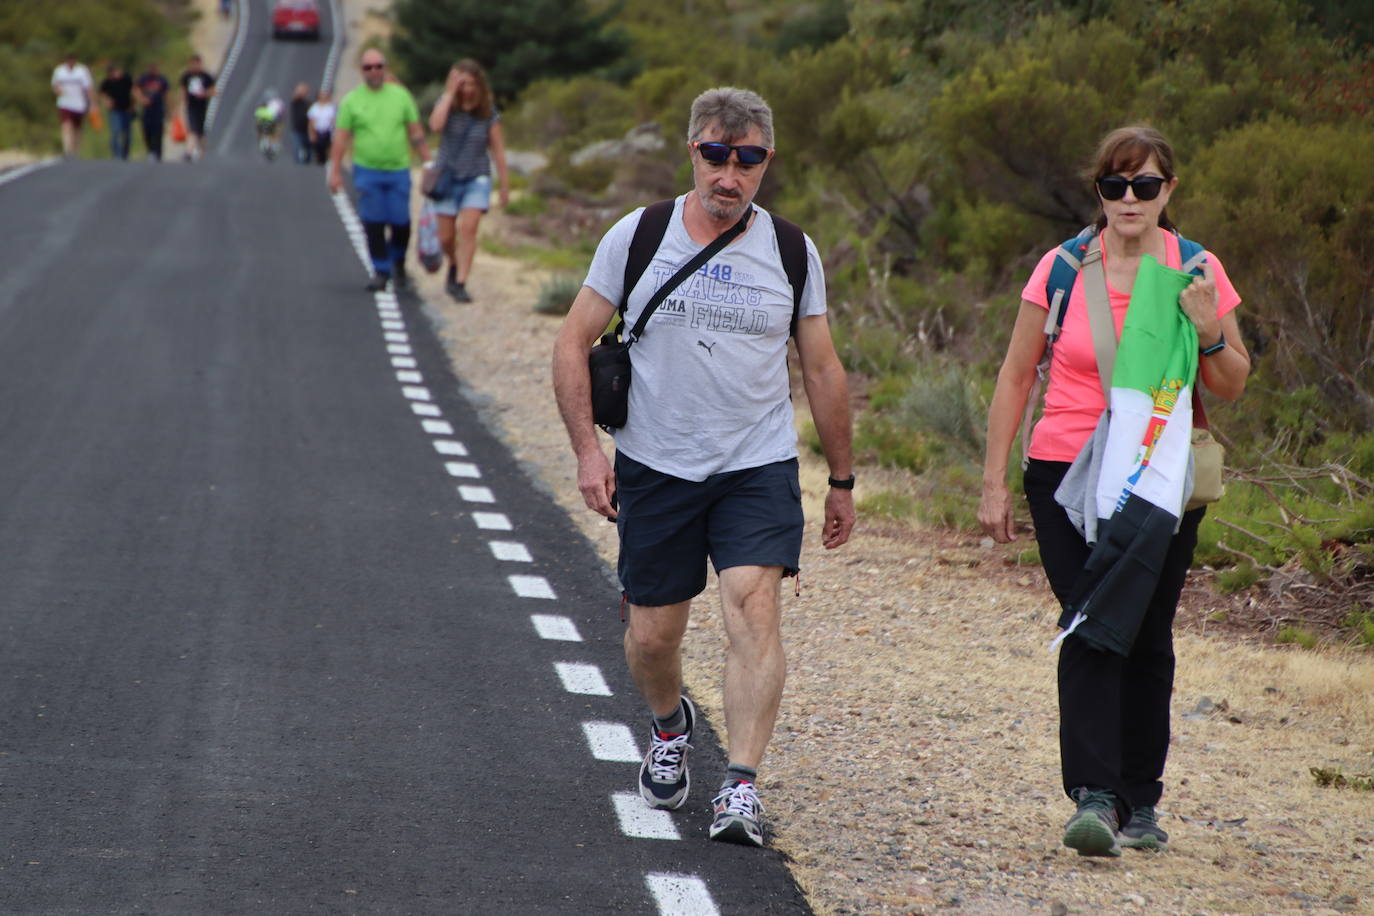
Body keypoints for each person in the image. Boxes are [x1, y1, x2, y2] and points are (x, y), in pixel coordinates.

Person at [552, 87, 855, 848]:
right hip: (656, 463)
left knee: (753, 610)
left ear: (766, 162)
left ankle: (742, 785)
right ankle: (669, 725)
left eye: (748, 159)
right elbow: (573, 342)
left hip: (756, 465)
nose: (731, 174)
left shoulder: (792, 251)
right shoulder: (639, 236)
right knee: (653, 637)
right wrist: (591, 453)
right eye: (717, 155)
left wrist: (843, 480)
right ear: (693, 151)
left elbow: (820, 367)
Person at [978, 125, 1250, 857]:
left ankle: (1141, 800)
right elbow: (1014, 376)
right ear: (1097, 191)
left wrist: (1209, 331)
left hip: (1160, 479)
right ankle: (1095, 797)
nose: (1130, 199)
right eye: (1115, 185)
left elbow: (1231, 383)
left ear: (1170, 191)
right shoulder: (1063, 268)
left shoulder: (1196, 271)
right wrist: (993, 482)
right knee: (1093, 622)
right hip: (1065, 476)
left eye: (1146, 185)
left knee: (1149, 636)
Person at [329, 49, 431, 292]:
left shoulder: (401, 96)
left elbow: (415, 131)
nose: (374, 71)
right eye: (368, 67)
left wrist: (427, 162)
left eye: (378, 66)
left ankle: (398, 261)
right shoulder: (352, 101)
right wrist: (334, 171)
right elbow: (341, 138)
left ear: (385, 67)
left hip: (397, 169)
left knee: (401, 221)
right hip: (367, 170)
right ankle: (380, 270)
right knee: (373, 222)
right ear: (361, 71)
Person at [425, 59, 509, 303]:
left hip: (477, 178)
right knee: (446, 238)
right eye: (464, 84)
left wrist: (504, 186)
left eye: (472, 84)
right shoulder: (448, 107)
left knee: (468, 229)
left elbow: (498, 151)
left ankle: (460, 282)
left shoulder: (488, 113)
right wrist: (450, 93)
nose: (468, 89)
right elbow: (435, 125)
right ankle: (453, 262)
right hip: (447, 178)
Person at [51, 53, 94, 158]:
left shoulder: (82, 71)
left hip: (79, 103)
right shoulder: (60, 71)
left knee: (77, 128)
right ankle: (67, 149)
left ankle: (76, 149)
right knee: (66, 126)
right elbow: (55, 85)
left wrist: (92, 103)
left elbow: (88, 88)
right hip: (65, 103)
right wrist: (58, 90)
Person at [178, 54, 217, 161]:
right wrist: (182, 105)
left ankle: (202, 152)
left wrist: (204, 93)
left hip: (202, 106)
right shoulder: (186, 77)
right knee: (193, 129)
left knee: (201, 131)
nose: (195, 66)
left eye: (197, 64)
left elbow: (214, 91)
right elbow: (183, 91)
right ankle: (189, 152)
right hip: (191, 106)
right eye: (193, 64)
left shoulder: (206, 76)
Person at [99, 63, 135, 161]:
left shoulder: (126, 79)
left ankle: (125, 154)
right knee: (116, 131)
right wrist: (107, 102)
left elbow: (133, 91)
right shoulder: (108, 82)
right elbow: (102, 94)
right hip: (115, 110)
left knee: (127, 134)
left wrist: (133, 106)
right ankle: (116, 154)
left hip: (126, 109)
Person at [135, 63, 170, 161]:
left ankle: (158, 153)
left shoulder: (162, 80)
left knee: (158, 131)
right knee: (147, 130)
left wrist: (168, 109)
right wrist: (142, 99)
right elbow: (136, 89)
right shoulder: (144, 79)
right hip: (147, 110)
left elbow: (167, 94)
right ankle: (150, 150)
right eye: (151, 69)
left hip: (158, 109)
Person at [307, 88, 336, 167]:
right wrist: (311, 133)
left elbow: (334, 120)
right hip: (317, 130)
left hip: (327, 131)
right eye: (321, 95)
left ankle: (327, 161)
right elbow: (311, 121)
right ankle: (319, 162)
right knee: (318, 148)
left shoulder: (331, 107)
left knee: (327, 147)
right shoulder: (314, 107)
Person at [254, 90, 285, 160]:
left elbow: (258, 115)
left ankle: (268, 145)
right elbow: (282, 114)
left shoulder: (267, 103)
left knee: (266, 133)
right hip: (272, 121)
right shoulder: (278, 102)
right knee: (274, 133)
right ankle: (271, 145)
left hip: (267, 121)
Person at [289, 82, 313, 163]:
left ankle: (307, 163)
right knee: (297, 147)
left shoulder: (309, 103)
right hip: (297, 129)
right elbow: (295, 96)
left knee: (308, 149)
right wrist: (300, 90)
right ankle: (297, 163)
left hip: (307, 130)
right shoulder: (296, 102)